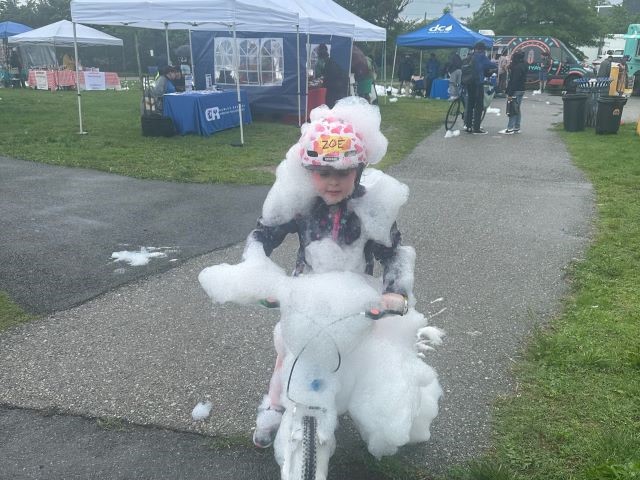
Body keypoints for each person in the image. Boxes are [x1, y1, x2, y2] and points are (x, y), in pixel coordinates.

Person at [248, 98, 414, 449]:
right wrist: (254, 270)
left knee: (369, 354)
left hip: (357, 293)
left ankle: (376, 412)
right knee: (288, 349)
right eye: (324, 173)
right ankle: (275, 404)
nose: (333, 182)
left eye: (343, 172)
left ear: (359, 170)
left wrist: (395, 291)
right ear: (310, 174)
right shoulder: (301, 203)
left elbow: (393, 252)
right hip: (305, 290)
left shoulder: (371, 207)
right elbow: (265, 232)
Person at [464, 41, 497, 135]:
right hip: (478, 83)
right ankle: (476, 128)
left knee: (470, 105)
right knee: (479, 106)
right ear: (483, 49)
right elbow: (491, 65)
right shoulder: (481, 56)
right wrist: (495, 64)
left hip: (469, 83)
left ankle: (468, 126)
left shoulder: (470, 56)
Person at [499, 51, 527, 135]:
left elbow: (514, 81)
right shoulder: (524, 65)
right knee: (517, 108)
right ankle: (516, 127)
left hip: (515, 90)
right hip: (521, 89)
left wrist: (510, 93)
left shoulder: (517, 68)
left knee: (512, 109)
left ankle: (510, 128)